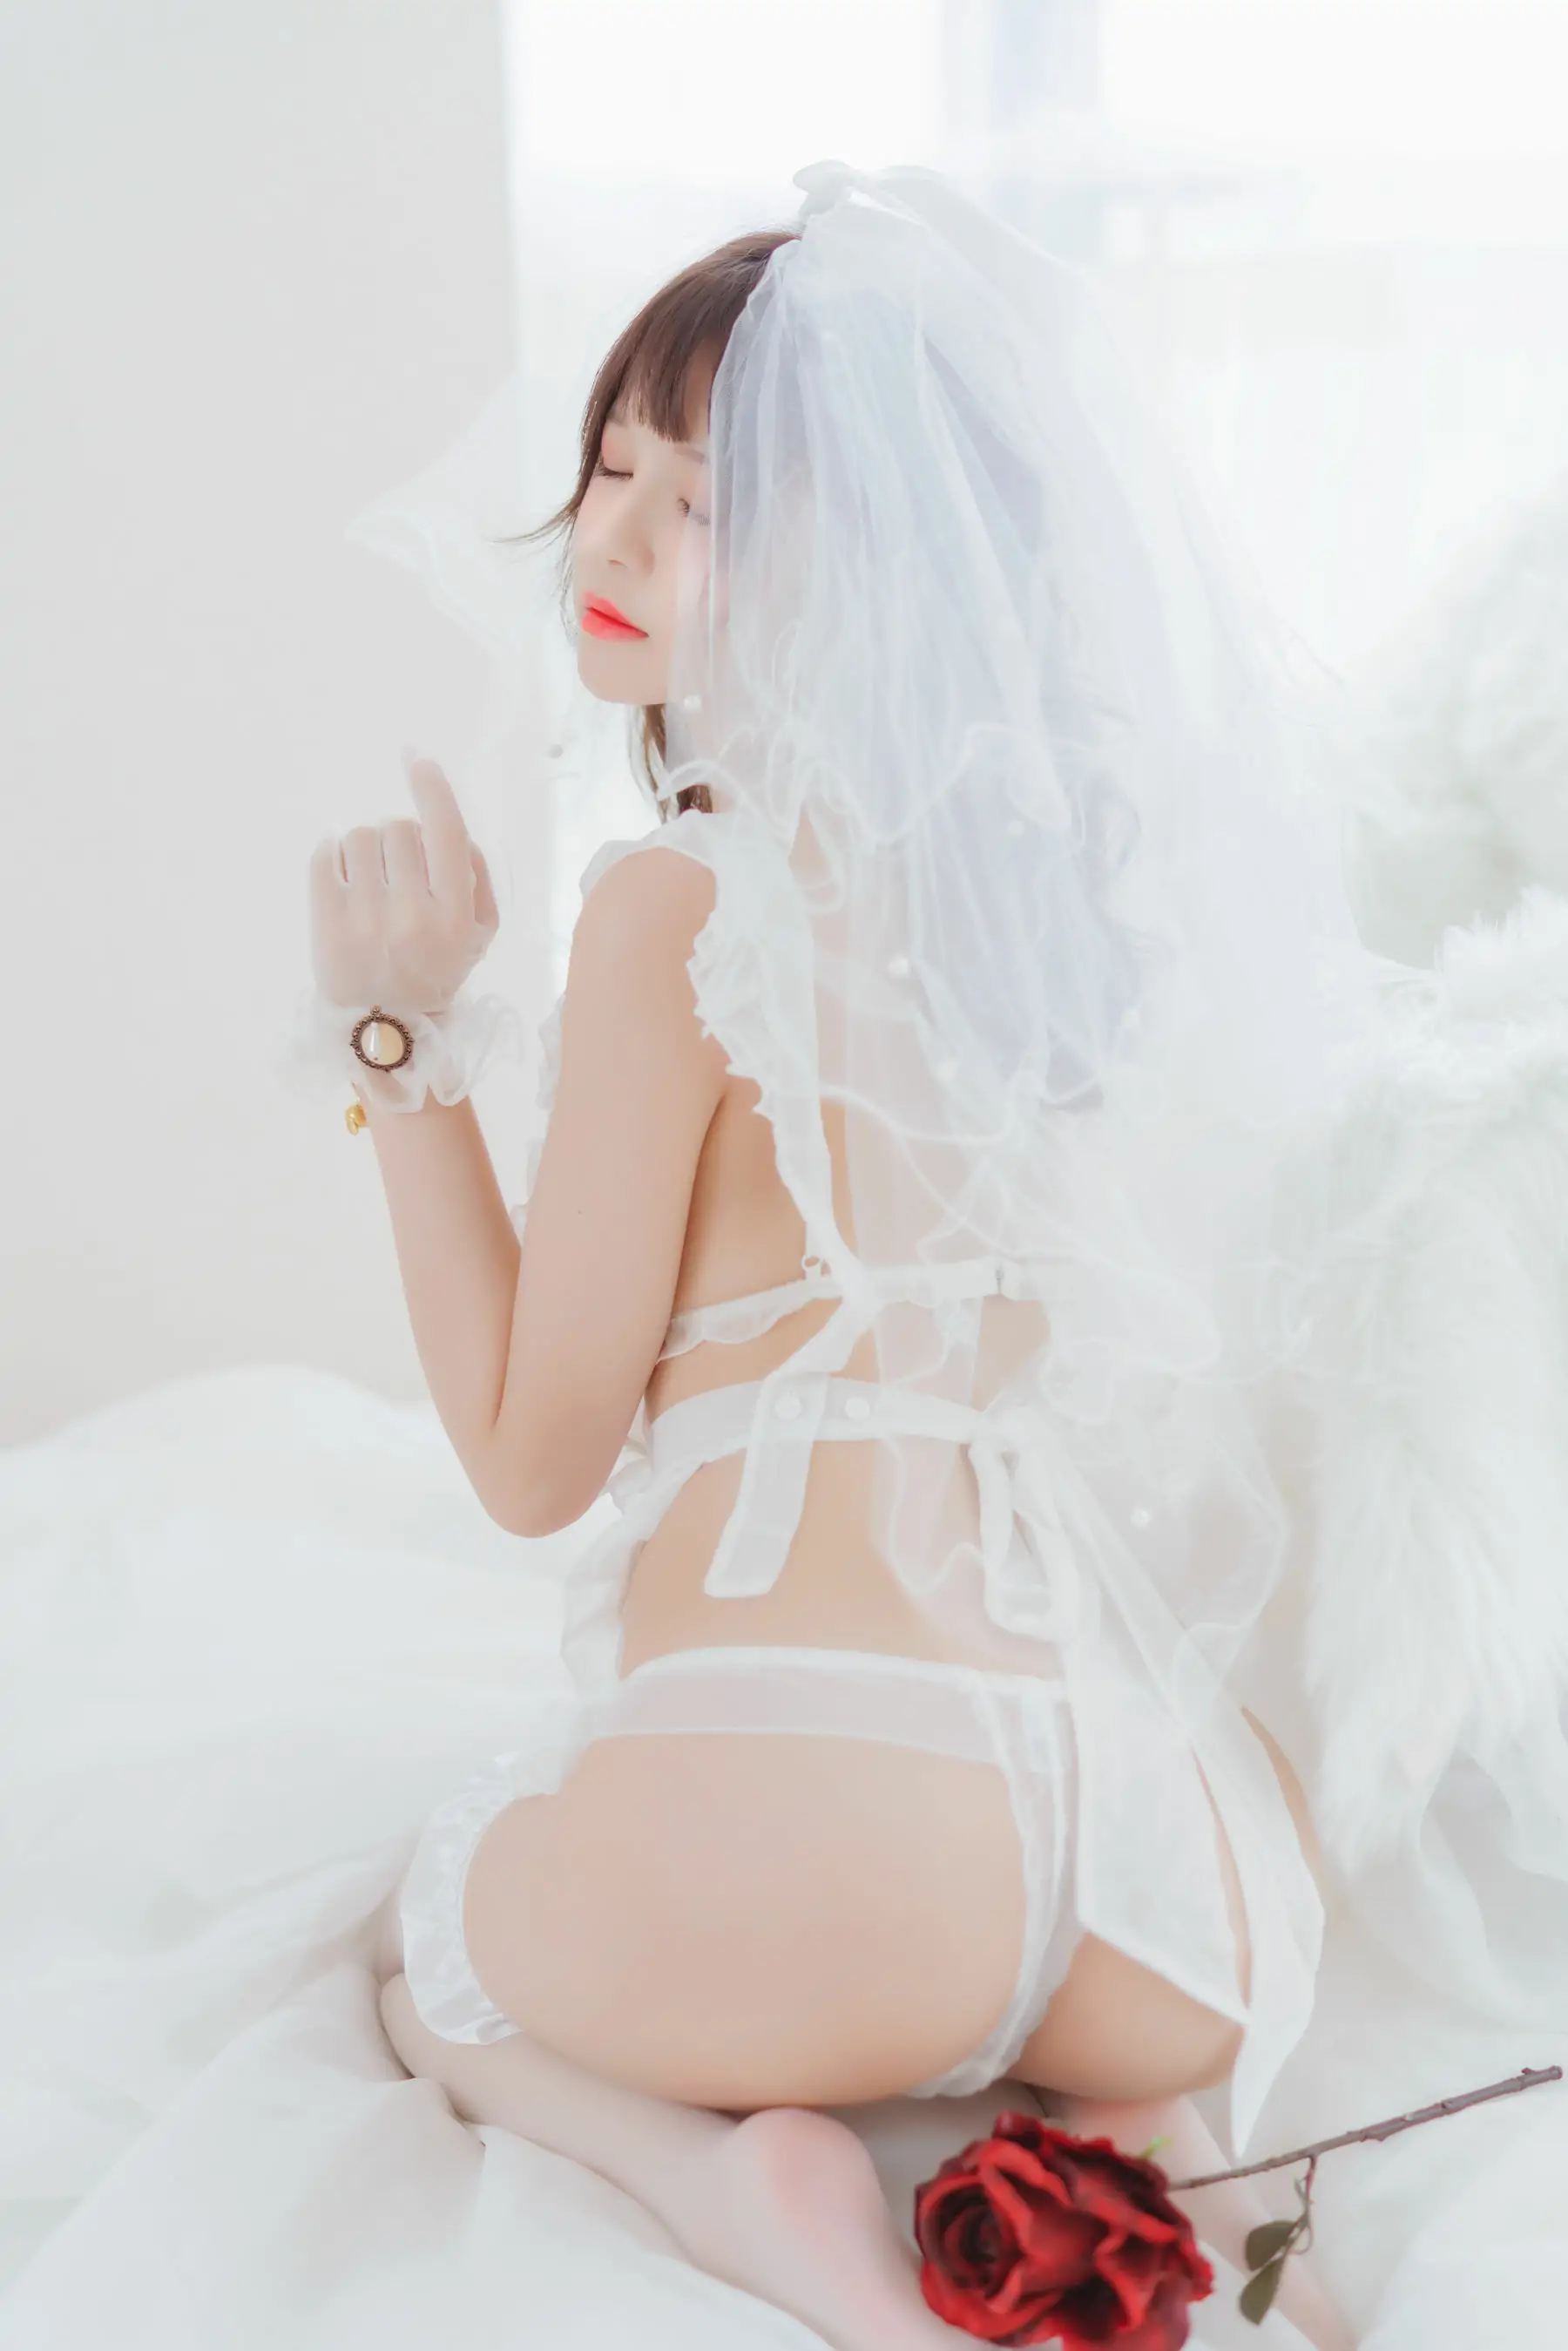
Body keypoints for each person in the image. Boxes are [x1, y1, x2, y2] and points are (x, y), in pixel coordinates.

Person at [303, 161, 1375, 2349]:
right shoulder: (1049, 949)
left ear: (863, 568)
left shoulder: (679, 906)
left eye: (699, 506)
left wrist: (399, 1044)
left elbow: (530, 1455)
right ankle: (1141, 2132)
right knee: (1061, 1988)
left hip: (831, 1830)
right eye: (614, 469)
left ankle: (745, 2190)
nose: (611, 543)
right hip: (1157, 1864)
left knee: (433, 1960)